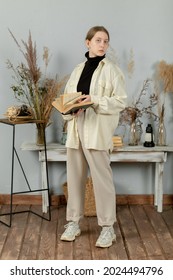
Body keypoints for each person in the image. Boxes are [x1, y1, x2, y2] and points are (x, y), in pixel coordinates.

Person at [60, 26, 127, 248]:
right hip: (76, 131)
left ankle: (108, 229)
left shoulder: (112, 71)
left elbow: (120, 101)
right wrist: (71, 111)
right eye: (98, 40)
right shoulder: (77, 70)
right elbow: (68, 100)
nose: (102, 44)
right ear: (87, 42)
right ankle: (73, 223)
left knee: (102, 182)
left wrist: (95, 100)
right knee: (75, 179)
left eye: (106, 41)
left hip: (97, 133)